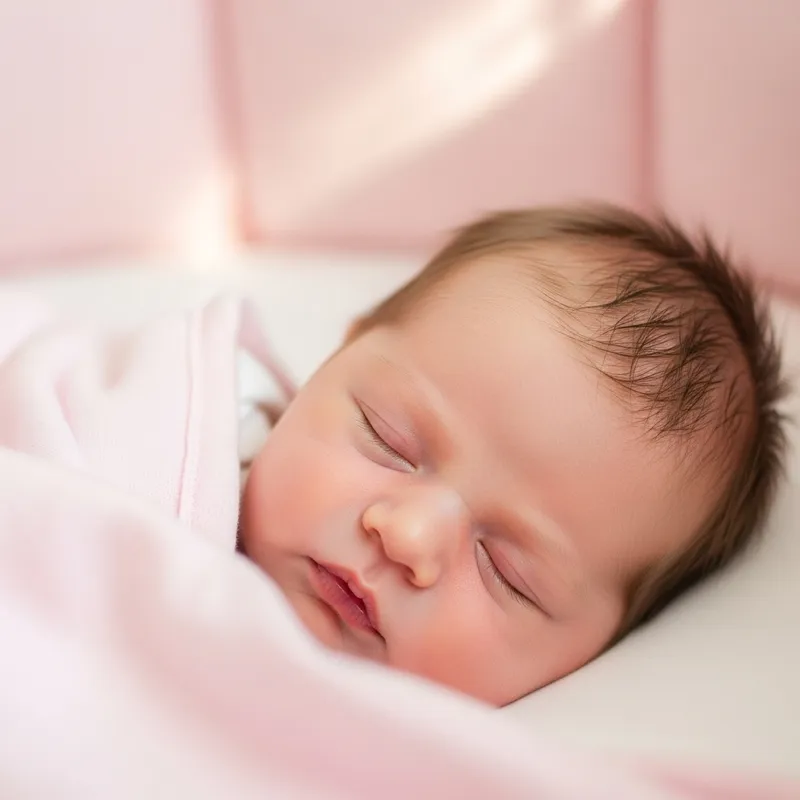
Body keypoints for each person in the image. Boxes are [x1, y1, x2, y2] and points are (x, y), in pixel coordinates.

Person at [238, 203, 787, 706]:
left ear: (592, 658)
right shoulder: (181, 421)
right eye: (388, 441)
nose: (408, 536)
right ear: (339, 354)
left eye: (506, 574)